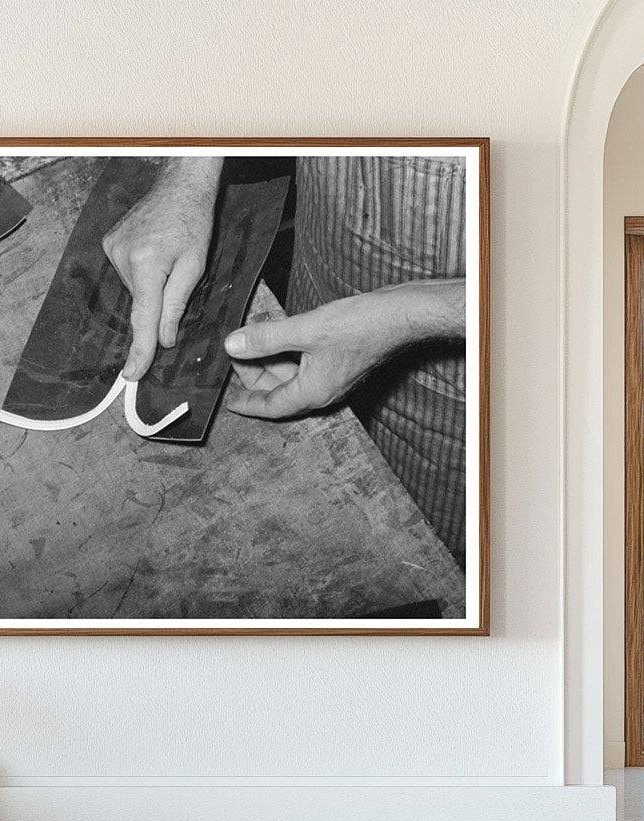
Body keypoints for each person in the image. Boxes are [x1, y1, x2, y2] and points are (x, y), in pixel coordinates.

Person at [102, 154, 468, 562]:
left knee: (415, 542)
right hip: (334, 233)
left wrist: (412, 312)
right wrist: (189, 173)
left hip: (470, 365)